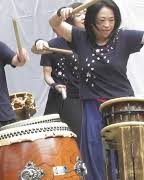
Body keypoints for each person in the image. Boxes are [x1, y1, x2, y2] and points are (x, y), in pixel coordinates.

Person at [49, 0, 144, 179]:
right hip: (93, 107)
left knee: (128, 157)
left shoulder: (123, 37)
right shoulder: (80, 38)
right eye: (101, 21)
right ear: (91, 21)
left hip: (123, 107)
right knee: (95, 154)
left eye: (111, 19)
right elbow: (54, 23)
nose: (107, 25)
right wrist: (61, 12)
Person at [34, 2, 84, 144]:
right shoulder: (53, 45)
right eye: (79, 14)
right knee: (53, 142)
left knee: (82, 140)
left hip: (83, 98)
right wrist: (55, 84)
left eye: (86, 13)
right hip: (61, 98)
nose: (83, 17)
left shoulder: (89, 42)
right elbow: (47, 75)